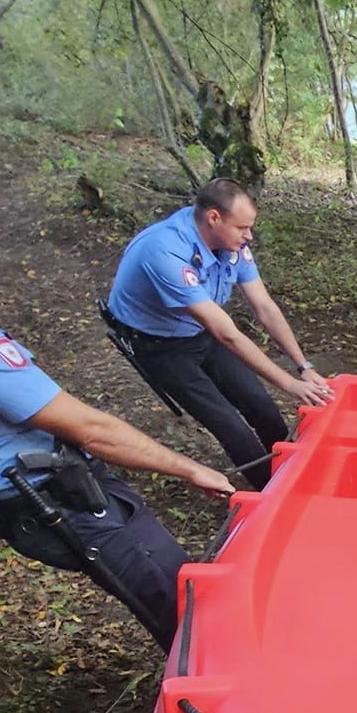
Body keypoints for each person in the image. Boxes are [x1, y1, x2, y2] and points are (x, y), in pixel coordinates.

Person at [0, 175, 234, 650]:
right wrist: (191, 469)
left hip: (18, 504)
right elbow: (89, 428)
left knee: (166, 603)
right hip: (57, 498)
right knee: (189, 611)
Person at [106, 178, 330, 489]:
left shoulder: (231, 244)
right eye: (242, 228)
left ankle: (299, 473)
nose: (249, 236)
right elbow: (227, 334)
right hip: (158, 345)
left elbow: (264, 307)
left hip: (199, 332)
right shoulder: (165, 251)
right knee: (230, 427)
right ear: (214, 218)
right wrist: (289, 384)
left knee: (260, 404)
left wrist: (302, 367)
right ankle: (276, 494)